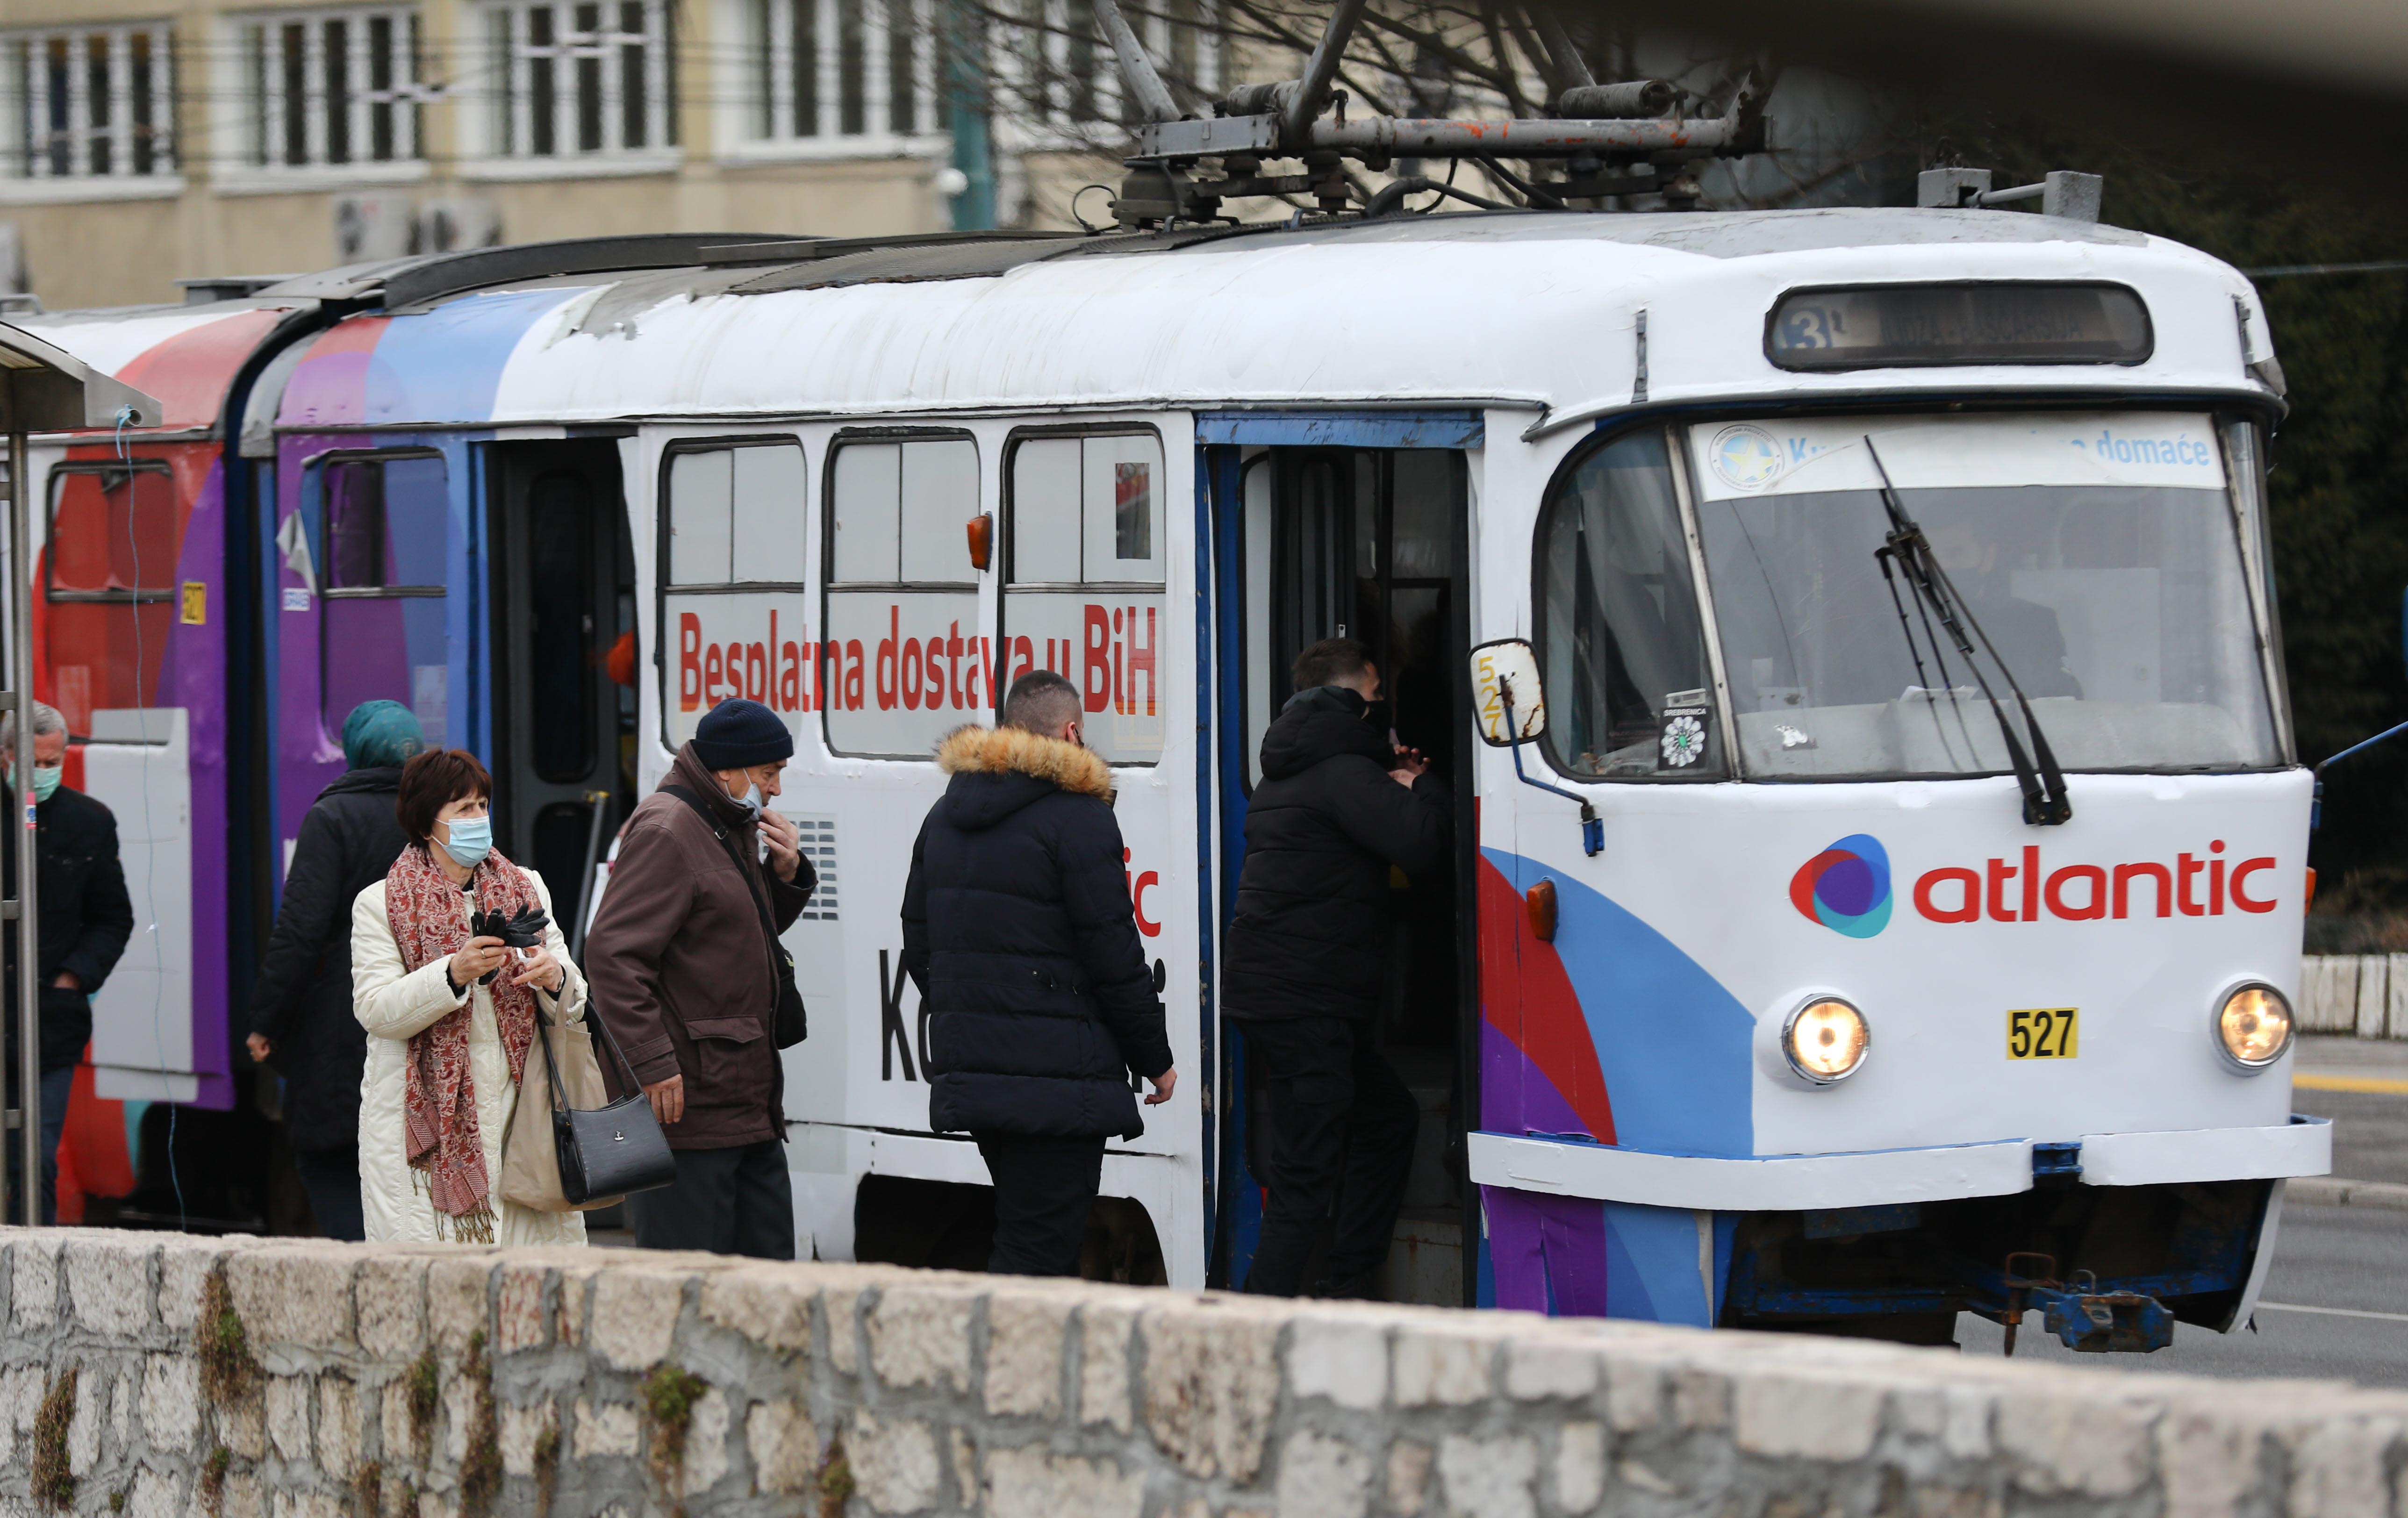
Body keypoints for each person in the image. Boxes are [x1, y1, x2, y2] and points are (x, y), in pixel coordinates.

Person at [901, 670, 1175, 1277]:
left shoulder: (944, 816)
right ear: (1071, 732)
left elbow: (918, 938)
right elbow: (1113, 955)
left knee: (1027, 1235)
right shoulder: (1079, 819)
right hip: (1057, 1082)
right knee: (1037, 1255)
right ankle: (995, 1346)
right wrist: (1154, 1057)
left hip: (978, 1072)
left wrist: (976, 1015)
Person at [1223, 637, 1451, 1297]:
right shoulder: (1345, 773)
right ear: (1352, 699)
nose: (1382, 708)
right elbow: (1427, 845)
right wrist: (1422, 785)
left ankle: (1349, 1280)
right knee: (1304, 1174)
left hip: (1287, 996)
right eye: (1377, 694)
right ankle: (1255, 1324)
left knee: (1387, 1119)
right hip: (1306, 1001)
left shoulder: (1289, 770)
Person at [586, 698, 814, 1258]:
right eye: (769, 772)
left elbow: (731, 936)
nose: (776, 788)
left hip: (747, 1101)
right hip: (692, 1107)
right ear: (727, 768)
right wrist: (652, 1062)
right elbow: (613, 955)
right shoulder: (668, 829)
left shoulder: (726, 822)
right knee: (691, 1281)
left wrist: (784, 875)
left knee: (767, 1280)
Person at [351, 748, 586, 1245]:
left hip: (525, 1117)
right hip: (426, 1129)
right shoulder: (380, 903)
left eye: (482, 806)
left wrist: (554, 976)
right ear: (425, 822)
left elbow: (576, 997)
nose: (479, 819)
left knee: (528, 1280)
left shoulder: (527, 889)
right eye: (463, 809)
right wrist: (452, 974)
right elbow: (375, 1009)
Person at [244, 700, 424, 1240]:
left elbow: (300, 931)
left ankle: (364, 1266)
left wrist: (267, 1021)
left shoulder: (333, 817)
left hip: (342, 1020)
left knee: (331, 1157)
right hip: (428, 1008)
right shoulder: (440, 815)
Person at [0, 701, 133, 1225]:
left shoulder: (89, 822)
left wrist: (72, 977)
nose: (44, 772)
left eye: (53, 762)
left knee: (34, 1161)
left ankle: (33, 1262)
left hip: (50, 1026)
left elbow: (112, 917)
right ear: (6, 756)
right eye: (34, 762)